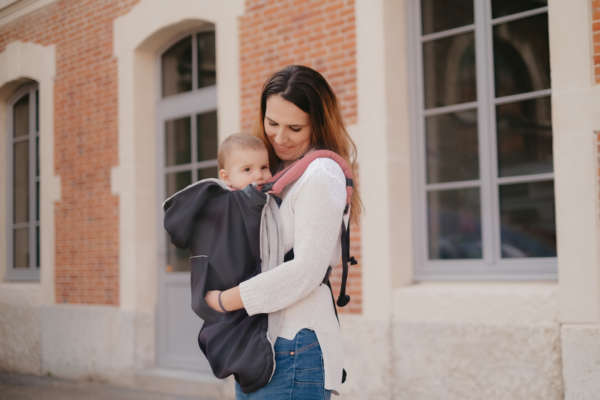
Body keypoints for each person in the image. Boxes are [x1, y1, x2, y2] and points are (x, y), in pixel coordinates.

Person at [204, 65, 361, 399]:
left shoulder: (321, 174)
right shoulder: (270, 171)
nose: (279, 137)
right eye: (271, 123)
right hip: (257, 341)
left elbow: (306, 270)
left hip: (295, 345)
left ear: (318, 124)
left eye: (294, 128)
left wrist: (224, 300)